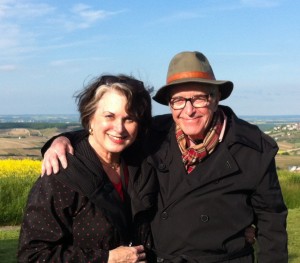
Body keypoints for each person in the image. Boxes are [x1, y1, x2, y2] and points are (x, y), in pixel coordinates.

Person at [41, 51, 287, 262]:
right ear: (170, 104)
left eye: (198, 98)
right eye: (178, 100)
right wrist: (63, 140)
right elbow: (111, 132)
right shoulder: (155, 134)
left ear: (215, 98)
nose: (188, 110)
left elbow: (272, 220)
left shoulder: (254, 148)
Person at [17, 74, 154, 263]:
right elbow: (32, 255)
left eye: (129, 119)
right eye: (109, 116)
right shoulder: (61, 173)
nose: (119, 128)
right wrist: (106, 258)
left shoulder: (140, 163)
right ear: (90, 118)